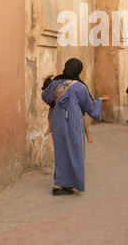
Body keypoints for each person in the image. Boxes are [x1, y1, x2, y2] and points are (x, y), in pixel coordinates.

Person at [42, 58, 109, 196]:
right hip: (72, 121)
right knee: (75, 150)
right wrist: (99, 100)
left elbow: (46, 97)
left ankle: (61, 183)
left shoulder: (56, 83)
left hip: (57, 120)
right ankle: (68, 183)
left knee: (61, 150)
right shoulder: (80, 87)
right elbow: (90, 107)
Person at [42, 73, 93, 143]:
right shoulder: (54, 105)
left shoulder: (68, 93)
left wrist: (88, 136)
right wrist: (50, 127)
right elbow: (50, 116)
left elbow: (82, 120)